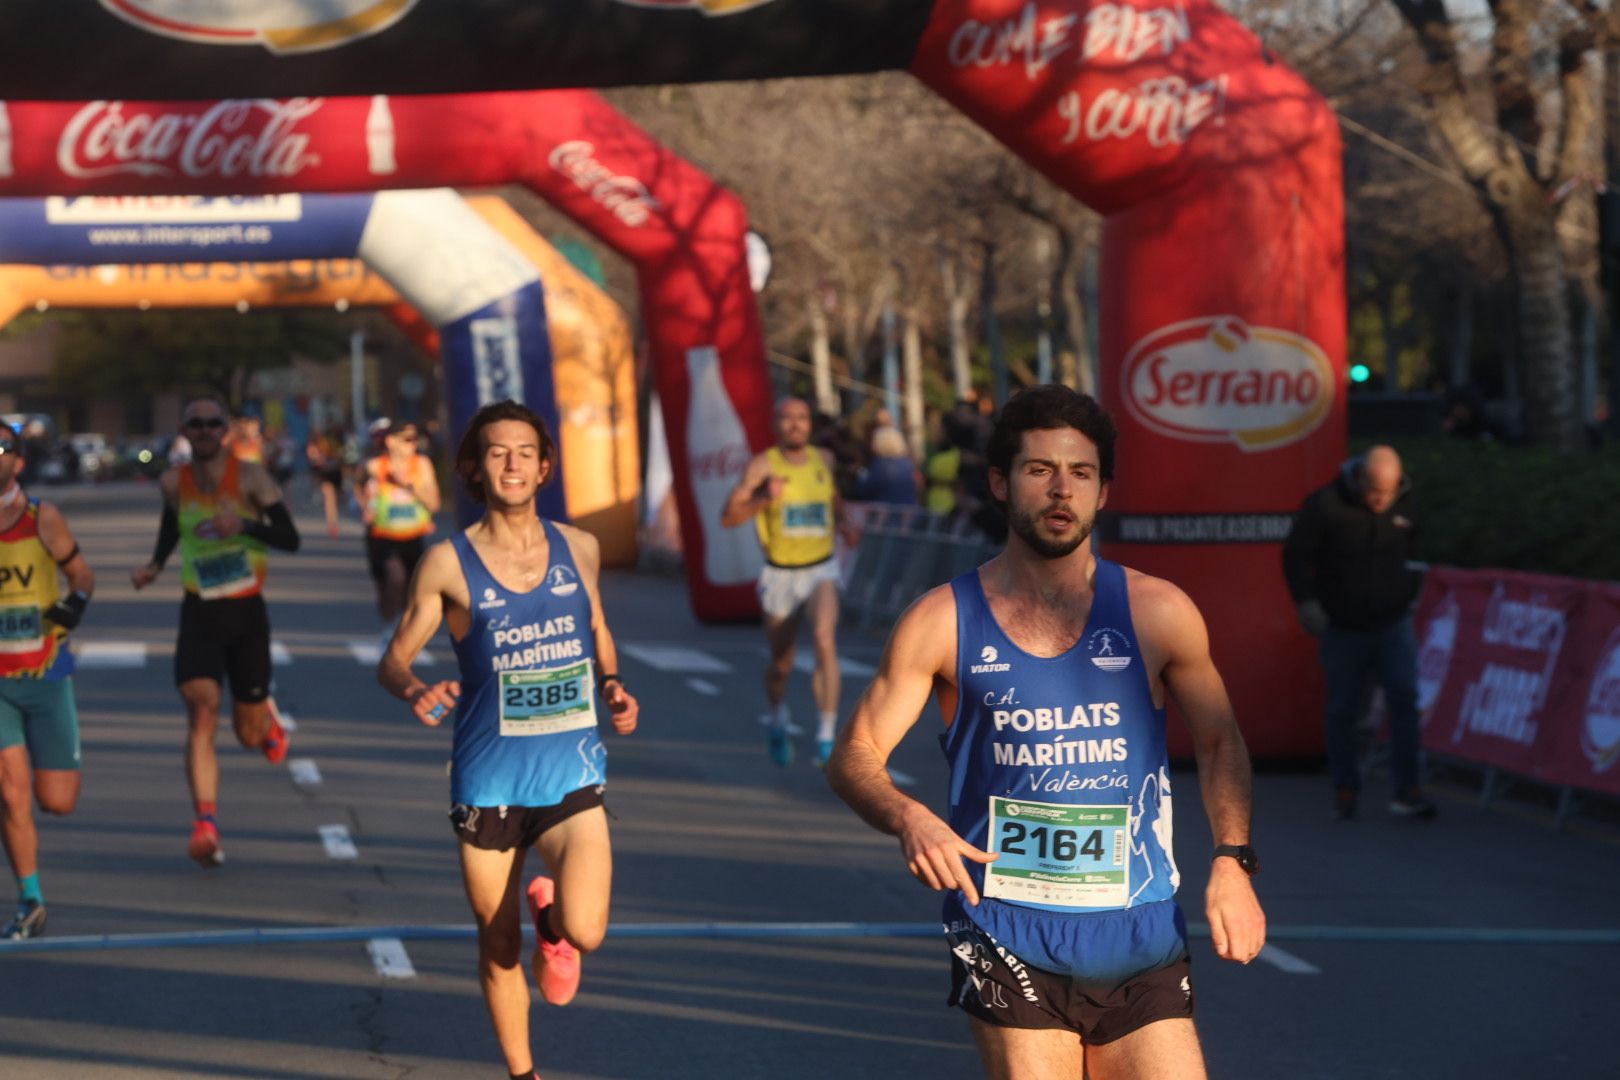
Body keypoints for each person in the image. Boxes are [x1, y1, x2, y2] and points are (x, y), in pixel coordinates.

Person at [828, 385, 1265, 1080]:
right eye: (1040, 470)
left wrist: (1232, 860)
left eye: (1081, 473)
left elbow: (1220, 741)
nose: (1062, 490)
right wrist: (909, 817)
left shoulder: (1158, 612)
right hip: (1004, 926)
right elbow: (854, 755)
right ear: (1000, 483)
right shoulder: (942, 621)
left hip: (1138, 926)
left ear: (1103, 491)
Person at [378, 400, 638, 1080]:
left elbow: (597, 627)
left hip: (570, 771)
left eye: (525, 452)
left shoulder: (579, 547)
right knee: (497, 944)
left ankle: (553, 928)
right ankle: (524, 1074)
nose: (513, 464)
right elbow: (393, 660)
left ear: (545, 466)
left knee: (587, 929)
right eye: (497, 452)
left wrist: (611, 683)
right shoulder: (447, 563)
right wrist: (415, 689)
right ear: (474, 468)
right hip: (488, 779)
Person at [130, 395, 302, 866]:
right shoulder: (174, 482)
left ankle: (264, 719)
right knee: (201, 707)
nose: (204, 430)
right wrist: (154, 565)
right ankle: (205, 822)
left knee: (247, 734)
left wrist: (242, 524)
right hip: (200, 610)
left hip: (246, 613)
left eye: (212, 423)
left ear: (225, 431)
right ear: (185, 432)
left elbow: (290, 539)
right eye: (196, 424)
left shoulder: (251, 477)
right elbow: (172, 525)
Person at [1282, 445, 1434, 821]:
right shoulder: (1326, 504)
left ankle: (1408, 789)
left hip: (1393, 622)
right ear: (1360, 478)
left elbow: (1416, 547)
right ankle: (1345, 788)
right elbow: (1295, 555)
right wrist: (1306, 601)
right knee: (1343, 708)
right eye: (1375, 492)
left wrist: (1410, 590)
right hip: (1343, 624)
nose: (1382, 501)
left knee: (1404, 700)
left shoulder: (1407, 502)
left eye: (1390, 493)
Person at [722, 397, 854, 768]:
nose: (796, 424)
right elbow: (728, 517)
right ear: (776, 424)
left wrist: (845, 523)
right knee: (782, 664)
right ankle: (778, 717)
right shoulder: (762, 466)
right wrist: (764, 497)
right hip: (780, 573)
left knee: (825, 640)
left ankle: (826, 736)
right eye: (788, 418)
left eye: (802, 417)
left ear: (810, 424)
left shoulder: (824, 460)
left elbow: (833, 500)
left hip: (821, 568)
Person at [0, 426, 94, 939]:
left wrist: (73, 605)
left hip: (46, 675)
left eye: (1, 447)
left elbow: (83, 575)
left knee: (57, 801)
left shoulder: (43, 518)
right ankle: (30, 898)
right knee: (11, 793)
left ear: (18, 462)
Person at [361, 420, 441, 634]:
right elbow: (359, 484)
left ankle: (401, 631)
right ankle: (389, 628)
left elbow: (435, 504)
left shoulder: (422, 465)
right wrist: (365, 506)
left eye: (415, 439)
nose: (413, 443)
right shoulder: (375, 466)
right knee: (395, 578)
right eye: (407, 439)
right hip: (382, 536)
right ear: (390, 441)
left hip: (412, 536)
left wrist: (409, 486)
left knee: (410, 591)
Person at [853, 426, 920, 506]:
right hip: (908, 510)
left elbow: (864, 491)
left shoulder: (880, 465)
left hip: (885, 511)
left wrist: (860, 474)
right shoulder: (907, 464)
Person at [305, 424, 347, 539]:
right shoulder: (315, 444)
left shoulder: (335, 442)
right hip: (327, 473)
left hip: (335, 472)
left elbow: (341, 456)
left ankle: (333, 520)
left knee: (336, 498)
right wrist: (320, 460)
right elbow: (313, 458)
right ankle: (332, 523)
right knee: (330, 498)